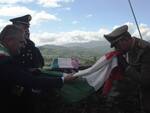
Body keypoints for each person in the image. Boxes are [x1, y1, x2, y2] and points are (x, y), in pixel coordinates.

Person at [0, 24, 76, 112]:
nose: (23, 45)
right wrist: (63, 80)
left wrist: (28, 71)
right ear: (9, 40)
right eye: (21, 42)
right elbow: (32, 81)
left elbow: (14, 73)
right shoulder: (4, 60)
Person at [104, 25, 150, 113]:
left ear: (125, 40)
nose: (117, 49)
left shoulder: (145, 50)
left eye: (117, 45)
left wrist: (126, 66)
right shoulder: (128, 48)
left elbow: (145, 81)